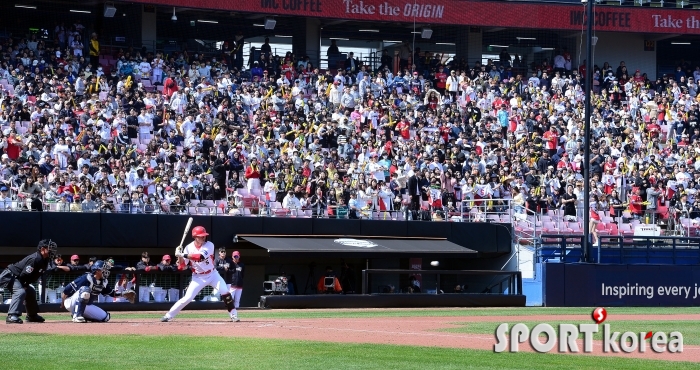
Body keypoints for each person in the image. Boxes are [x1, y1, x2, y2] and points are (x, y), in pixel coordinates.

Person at [161, 226, 237, 322]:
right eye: (201, 236)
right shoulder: (188, 248)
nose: (203, 237)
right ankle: (169, 315)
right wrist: (179, 255)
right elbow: (182, 266)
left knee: (225, 292)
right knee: (187, 298)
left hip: (213, 274)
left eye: (204, 235)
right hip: (198, 277)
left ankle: (234, 315)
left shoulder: (209, 245)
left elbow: (200, 257)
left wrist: (182, 254)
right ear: (195, 237)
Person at [0, 239, 57, 323]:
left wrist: (26, 285)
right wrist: (24, 285)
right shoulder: (35, 259)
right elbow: (24, 275)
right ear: (42, 249)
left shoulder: (45, 260)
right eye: (49, 248)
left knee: (31, 292)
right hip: (10, 276)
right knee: (20, 291)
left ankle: (32, 315)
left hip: (18, 277)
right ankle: (12, 315)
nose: (51, 251)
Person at [227, 251, 244, 322]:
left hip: (239, 285)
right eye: (234, 256)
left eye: (237, 256)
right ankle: (232, 315)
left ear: (239, 256)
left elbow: (243, 275)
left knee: (237, 301)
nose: (236, 258)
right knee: (230, 301)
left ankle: (235, 315)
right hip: (231, 285)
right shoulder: (230, 264)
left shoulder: (242, 265)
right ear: (232, 257)